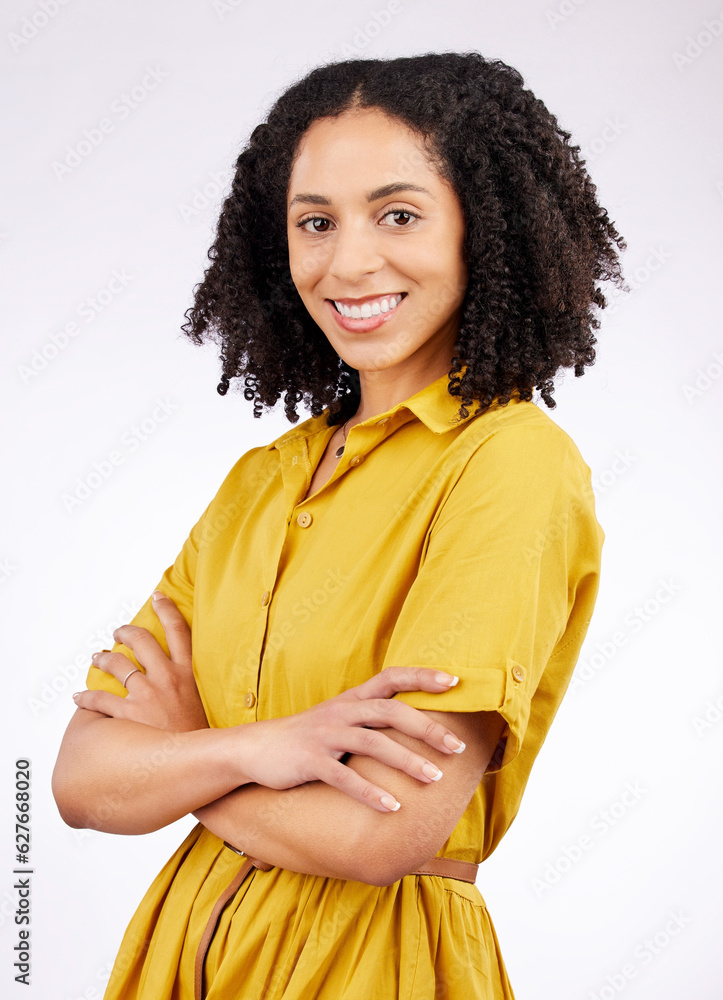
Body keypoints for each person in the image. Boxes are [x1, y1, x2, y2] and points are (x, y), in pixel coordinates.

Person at [52, 51, 625, 1000]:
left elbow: (378, 834)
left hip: (372, 964)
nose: (347, 261)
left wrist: (181, 762)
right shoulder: (260, 481)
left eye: (397, 215)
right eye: (314, 222)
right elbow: (79, 784)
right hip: (177, 956)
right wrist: (255, 750)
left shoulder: (509, 463)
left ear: (485, 229)